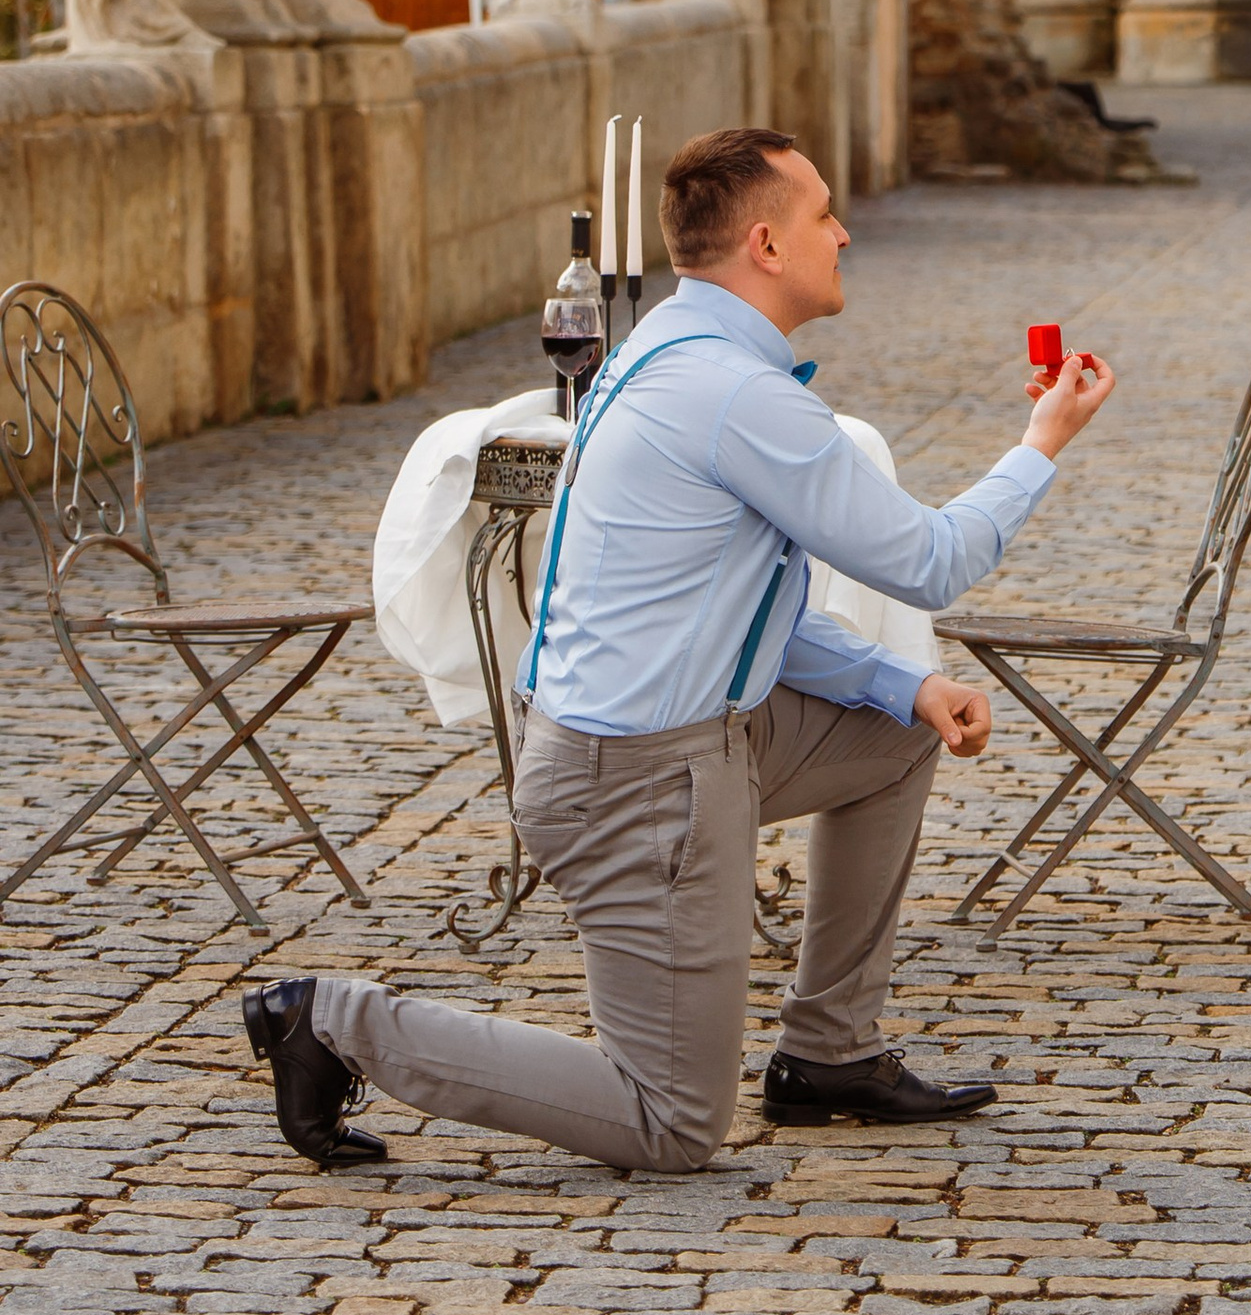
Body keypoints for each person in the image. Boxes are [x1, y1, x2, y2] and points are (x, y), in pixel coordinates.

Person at [245, 124, 1112, 1175]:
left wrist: (905, 679)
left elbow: (745, 608)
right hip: (638, 783)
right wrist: (1042, 445)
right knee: (671, 1124)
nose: (844, 232)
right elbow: (928, 560)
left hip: (693, 738)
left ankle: (827, 1052)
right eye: (823, 214)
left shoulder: (666, 347)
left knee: (895, 732)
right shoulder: (733, 393)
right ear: (765, 244)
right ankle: (330, 1021)